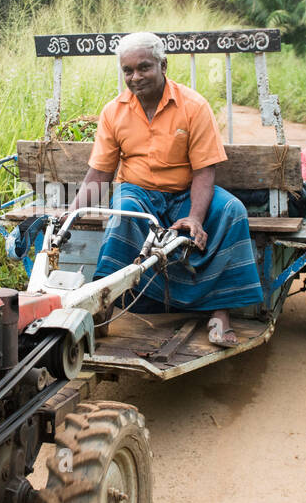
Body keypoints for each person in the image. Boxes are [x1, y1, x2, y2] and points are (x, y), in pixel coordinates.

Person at [59, 31, 263, 346]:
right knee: (124, 209)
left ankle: (220, 312)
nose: (135, 77)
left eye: (144, 68)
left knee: (232, 210)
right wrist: (71, 215)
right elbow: (99, 172)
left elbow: (204, 170)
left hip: (185, 195)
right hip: (138, 192)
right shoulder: (114, 112)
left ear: (163, 65)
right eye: (128, 71)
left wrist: (195, 217)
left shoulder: (193, 106)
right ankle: (103, 304)